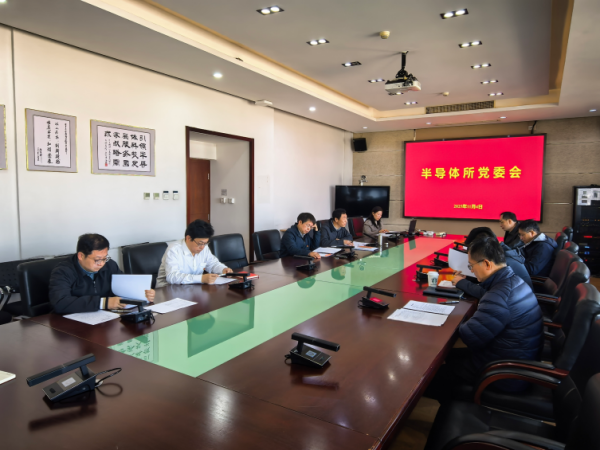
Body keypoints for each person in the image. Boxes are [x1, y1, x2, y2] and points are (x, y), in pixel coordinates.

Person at [427, 237, 543, 402]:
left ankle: (456, 404)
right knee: (450, 356)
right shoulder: (512, 280)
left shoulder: (499, 295)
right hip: (515, 359)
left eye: (471, 266)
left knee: (432, 378)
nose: (472, 271)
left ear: (487, 264)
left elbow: (470, 336)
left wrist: (459, 320)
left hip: (504, 374)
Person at [49, 233, 155, 314]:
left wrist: (143, 293)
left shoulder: (110, 265)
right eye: (97, 259)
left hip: (104, 319)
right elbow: (60, 303)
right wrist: (103, 303)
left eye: (105, 258)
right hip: (72, 326)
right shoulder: (62, 272)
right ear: (81, 256)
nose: (102, 264)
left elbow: (123, 288)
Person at [452, 227, 533, 297]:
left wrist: (462, 283)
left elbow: (489, 293)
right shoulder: (500, 254)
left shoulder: (504, 262)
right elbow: (492, 280)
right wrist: (467, 278)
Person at [155, 220, 233, 288]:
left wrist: (223, 269)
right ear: (188, 238)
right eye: (200, 243)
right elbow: (172, 277)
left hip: (192, 288)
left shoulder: (204, 247)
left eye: (205, 243)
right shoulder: (174, 250)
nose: (202, 247)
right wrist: (201, 278)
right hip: (168, 290)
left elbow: (212, 264)